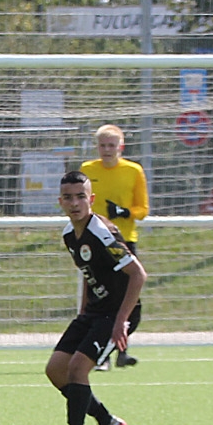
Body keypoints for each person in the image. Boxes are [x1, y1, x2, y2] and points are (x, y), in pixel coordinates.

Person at [48, 170, 145, 425]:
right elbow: (89, 275)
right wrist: (83, 314)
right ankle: (107, 421)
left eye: (80, 197)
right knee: (56, 370)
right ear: (60, 202)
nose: (74, 203)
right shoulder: (69, 234)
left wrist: (121, 321)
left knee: (78, 368)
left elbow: (137, 275)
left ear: (91, 199)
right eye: (68, 198)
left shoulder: (103, 232)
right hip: (94, 312)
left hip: (117, 313)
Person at [80, 125, 149, 368]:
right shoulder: (88, 170)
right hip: (96, 242)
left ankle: (121, 349)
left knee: (129, 299)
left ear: (121, 147)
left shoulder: (133, 171)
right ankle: (100, 354)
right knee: (99, 296)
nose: (107, 150)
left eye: (112, 145)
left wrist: (125, 212)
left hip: (124, 241)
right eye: (103, 145)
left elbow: (143, 209)